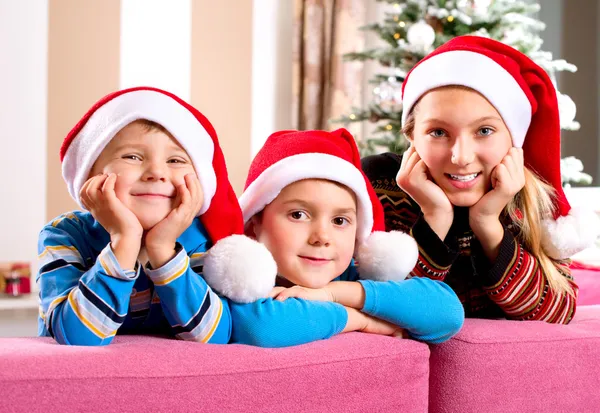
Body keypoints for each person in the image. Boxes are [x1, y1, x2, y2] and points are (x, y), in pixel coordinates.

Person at [362, 36, 600, 324]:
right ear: (411, 135)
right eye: (438, 132)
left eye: (484, 131)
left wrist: (488, 223)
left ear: (514, 138)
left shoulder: (531, 196)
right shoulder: (377, 186)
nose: (460, 157)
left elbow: (556, 313)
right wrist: (435, 216)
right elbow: (380, 307)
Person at [37, 86, 272, 345]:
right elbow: (77, 338)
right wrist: (124, 240)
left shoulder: (201, 239)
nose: (156, 172)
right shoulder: (65, 234)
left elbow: (211, 338)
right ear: (91, 176)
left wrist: (163, 248)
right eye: (133, 156)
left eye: (175, 161)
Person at [213, 128, 464, 347]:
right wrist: (359, 320)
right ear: (252, 224)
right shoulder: (241, 282)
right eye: (298, 214)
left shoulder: (350, 278)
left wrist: (333, 293)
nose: (322, 237)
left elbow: (447, 313)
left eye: (340, 221)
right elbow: (262, 327)